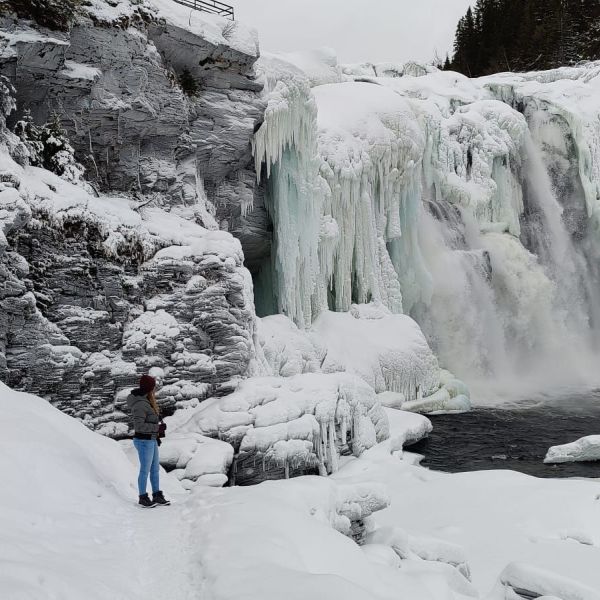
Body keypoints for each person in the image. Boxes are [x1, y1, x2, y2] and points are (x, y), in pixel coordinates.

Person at [126, 375, 170, 508]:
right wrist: (157, 427)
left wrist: (157, 431)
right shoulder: (140, 404)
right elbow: (139, 426)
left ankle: (157, 495)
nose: (154, 390)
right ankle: (143, 497)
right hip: (144, 441)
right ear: (148, 388)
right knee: (145, 470)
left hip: (151, 440)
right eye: (153, 387)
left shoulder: (146, 401)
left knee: (155, 470)